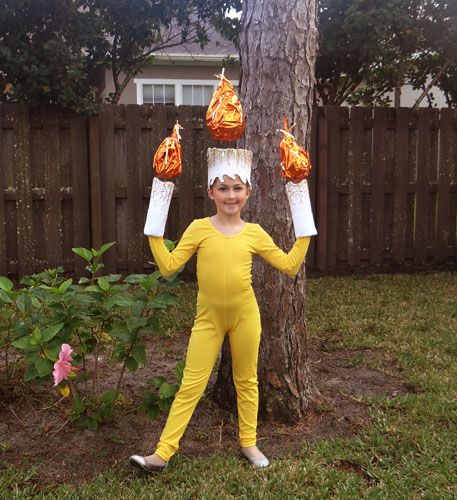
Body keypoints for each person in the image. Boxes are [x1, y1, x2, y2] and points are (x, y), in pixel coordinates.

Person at [130, 147, 317, 472]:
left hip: (245, 316)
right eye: (223, 188)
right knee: (191, 384)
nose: (230, 195)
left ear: (248, 192)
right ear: (211, 192)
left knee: (246, 380)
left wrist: (304, 223)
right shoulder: (199, 228)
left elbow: (289, 265)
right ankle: (162, 454)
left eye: (237, 188)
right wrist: (154, 229)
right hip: (208, 319)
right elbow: (169, 266)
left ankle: (249, 443)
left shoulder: (254, 233)